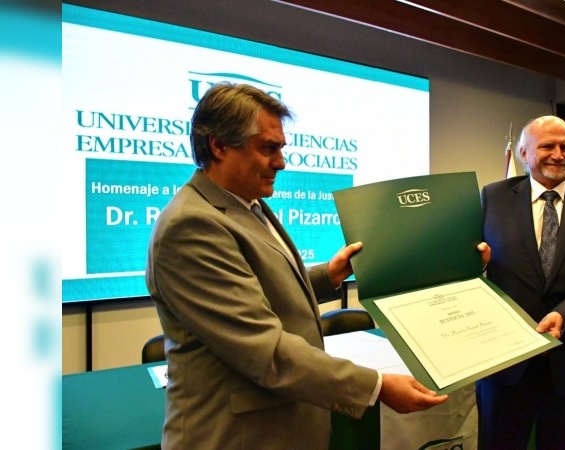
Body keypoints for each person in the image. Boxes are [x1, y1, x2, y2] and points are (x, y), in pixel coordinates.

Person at [146, 82, 491, 449]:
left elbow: (260, 287)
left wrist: (330, 274)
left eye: (281, 148)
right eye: (268, 148)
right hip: (235, 436)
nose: (280, 162)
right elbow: (264, 349)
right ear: (218, 145)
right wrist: (376, 386)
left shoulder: (247, 204)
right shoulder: (191, 225)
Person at [478, 115, 565, 450]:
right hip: (506, 360)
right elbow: (472, 257)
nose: (558, 154)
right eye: (547, 146)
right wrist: (477, 262)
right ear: (523, 154)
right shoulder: (494, 197)